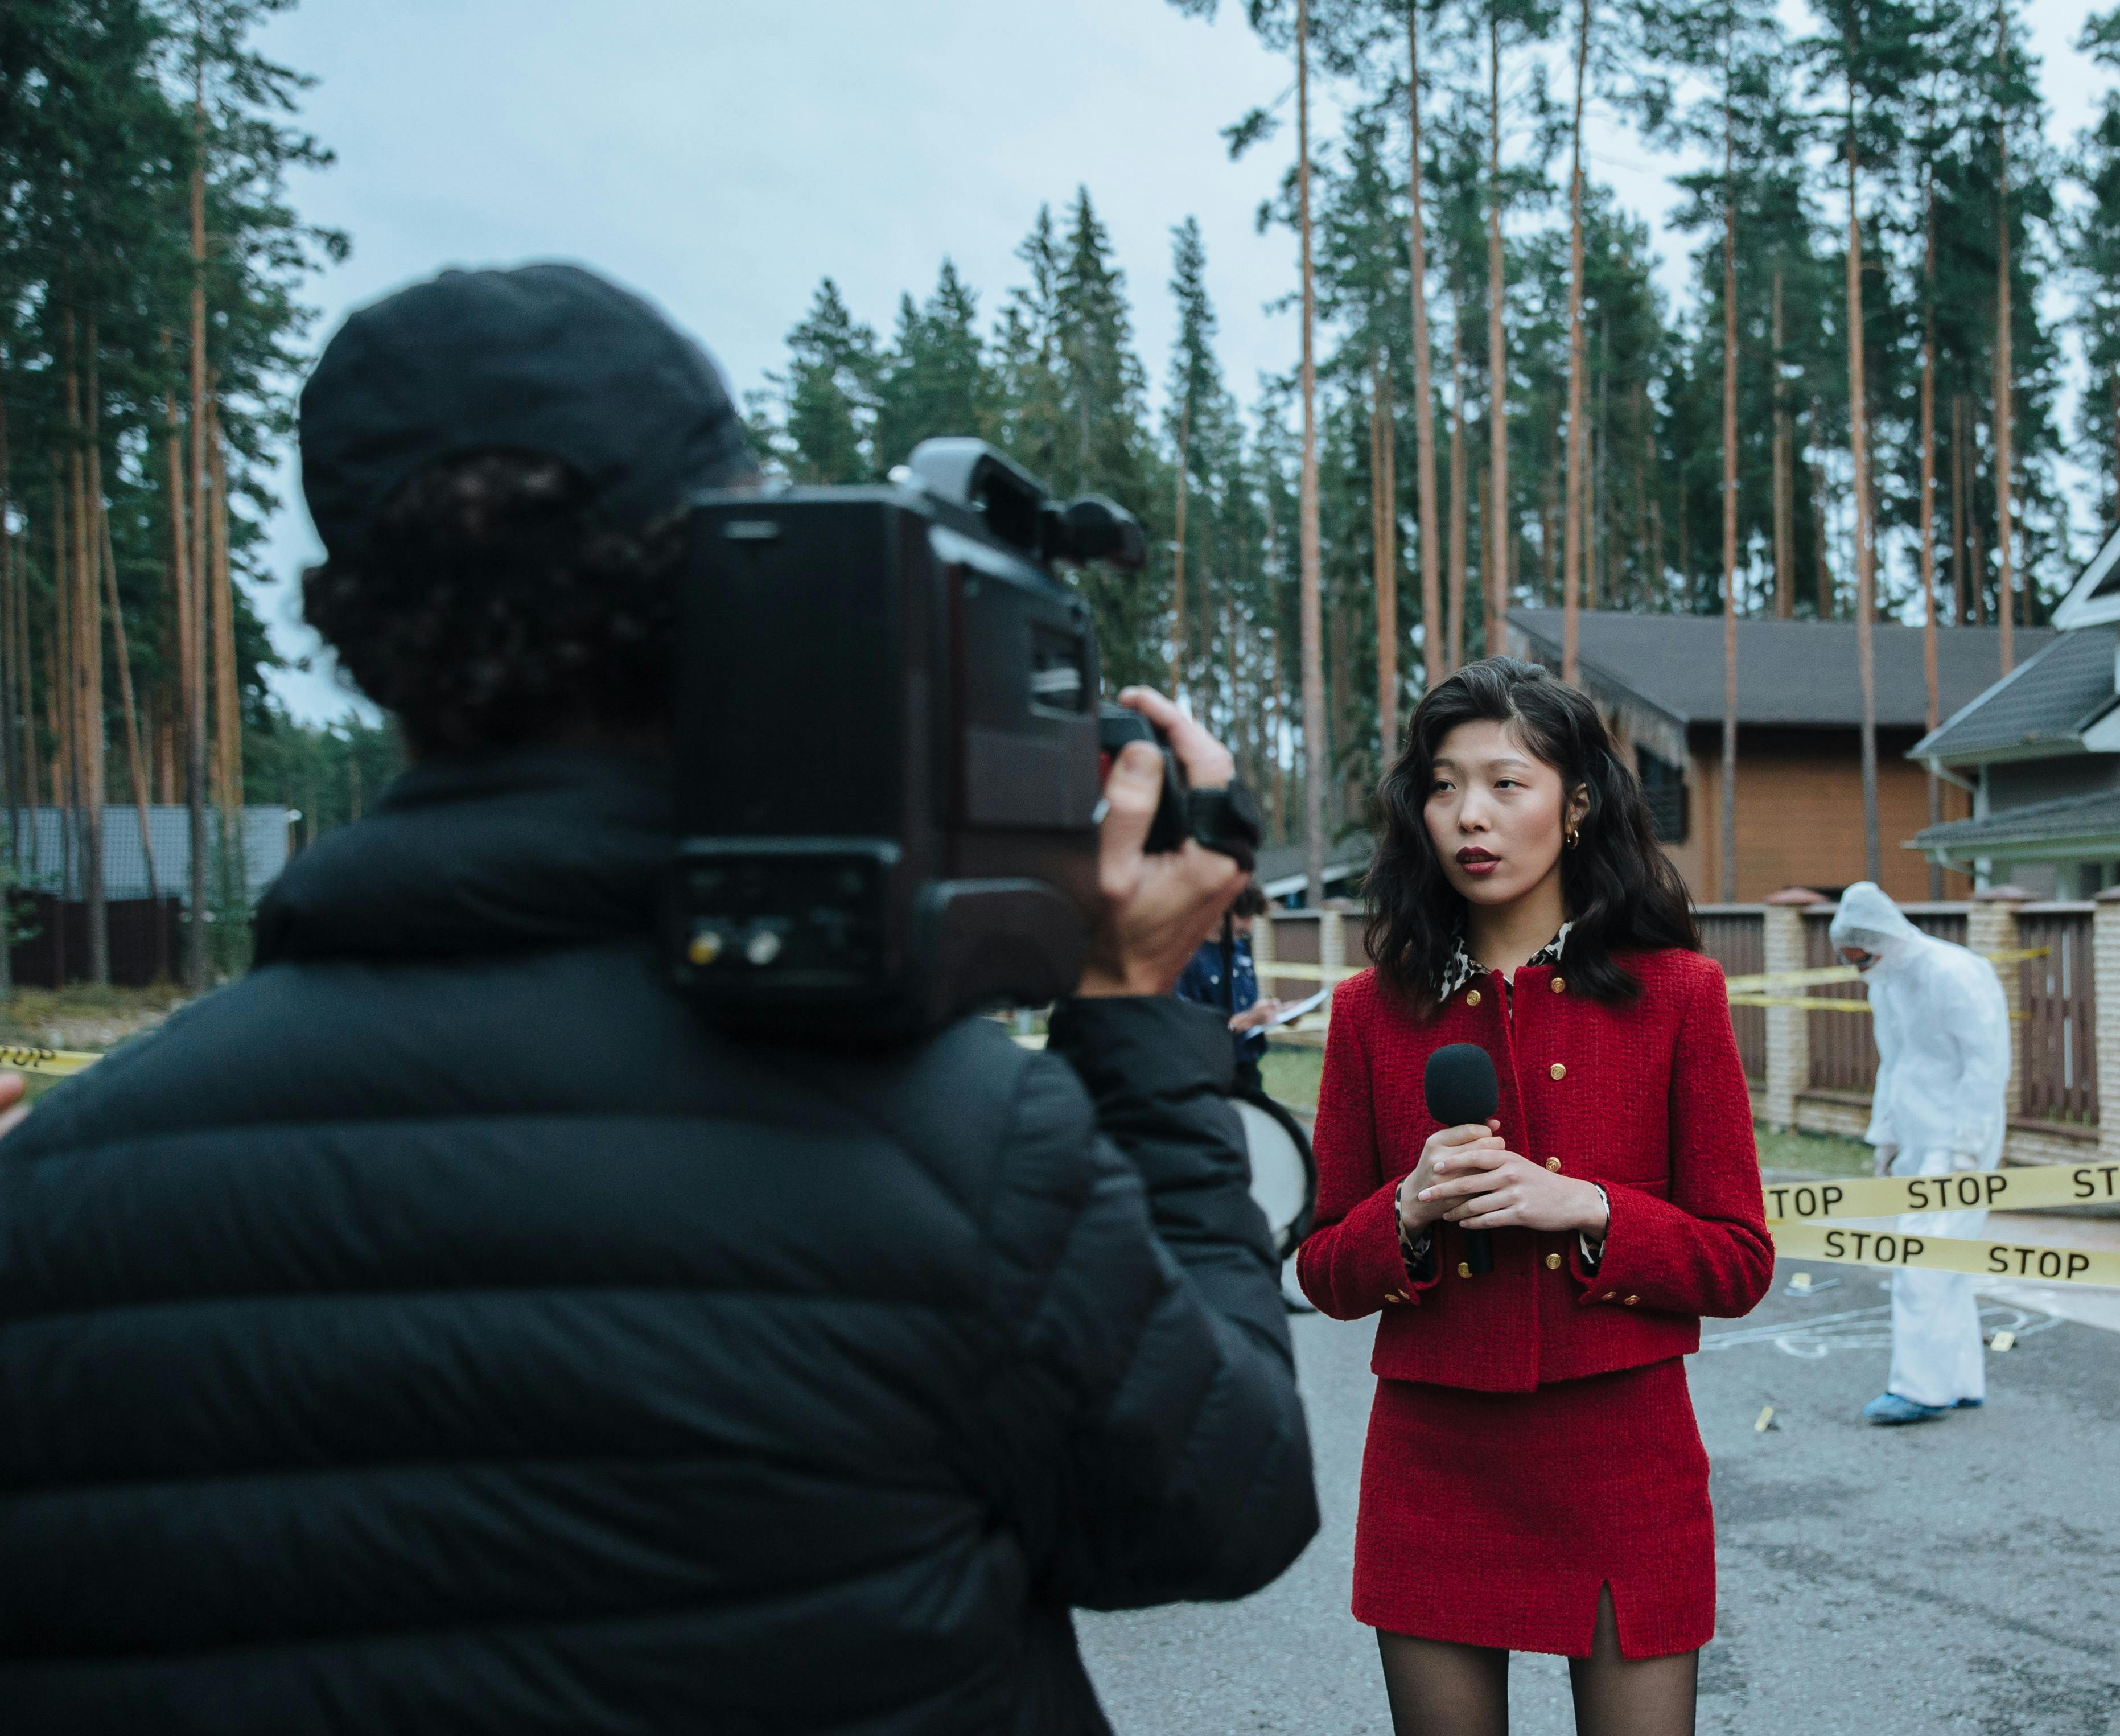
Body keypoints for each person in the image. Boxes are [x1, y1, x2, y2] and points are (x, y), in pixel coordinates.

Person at [0, 264, 1315, 1734]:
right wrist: (1128, 1004)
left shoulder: (50, 1197)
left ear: (356, 625)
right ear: (731, 579)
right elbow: (1227, 1503)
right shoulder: (947, 1146)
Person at [1295, 660, 1774, 1736]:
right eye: (1443, 784)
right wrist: (1404, 1211)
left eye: (1506, 783)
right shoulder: (1372, 1011)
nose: (1470, 814)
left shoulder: (1678, 996)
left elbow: (1739, 1262)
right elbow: (1323, 1269)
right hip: (1434, 1464)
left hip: (1624, 1463)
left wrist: (1590, 1210)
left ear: (1578, 803)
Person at [1829, 882, 2013, 1426]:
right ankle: (1958, 1382)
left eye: (1862, 957)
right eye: (1848, 960)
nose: (1858, 969)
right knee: (1946, 1265)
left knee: (1920, 1265)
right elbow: (1896, 1064)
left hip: (1957, 1143)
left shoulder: (1954, 974)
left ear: (1885, 940)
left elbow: (1986, 1067)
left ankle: (1921, 1390)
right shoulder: (1886, 982)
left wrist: (1965, 1150)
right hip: (1917, 1141)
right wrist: (1886, 1138)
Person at [1179, 879, 1282, 1095]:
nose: (1248, 925)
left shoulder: (1240, 949)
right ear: (1219, 908)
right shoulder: (1189, 959)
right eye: (1243, 915)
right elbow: (1190, 1030)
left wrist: (1275, 1012)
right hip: (1209, 1077)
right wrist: (1248, 1021)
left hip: (1248, 1071)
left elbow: (1246, 1003)